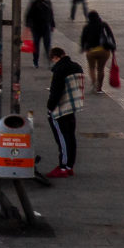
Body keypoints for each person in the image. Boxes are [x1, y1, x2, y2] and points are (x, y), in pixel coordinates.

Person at [44, 46, 84, 178]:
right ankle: (69, 166)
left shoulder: (59, 70)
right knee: (71, 137)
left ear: (56, 57)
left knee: (62, 139)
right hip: (73, 107)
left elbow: (56, 92)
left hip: (61, 110)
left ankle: (63, 167)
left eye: (53, 60)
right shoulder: (77, 67)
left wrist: (50, 107)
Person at [79, 10, 116, 93]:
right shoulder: (104, 25)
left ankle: (93, 82)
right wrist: (113, 47)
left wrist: (82, 47)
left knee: (92, 68)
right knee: (101, 69)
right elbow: (110, 36)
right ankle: (99, 87)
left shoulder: (87, 27)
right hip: (104, 51)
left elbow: (83, 39)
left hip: (91, 51)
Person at [25, 0, 55, 69]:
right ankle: (35, 61)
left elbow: (51, 14)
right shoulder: (35, 2)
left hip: (46, 27)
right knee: (36, 46)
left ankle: (49, 62)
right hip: (36, 28)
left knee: (47, 46)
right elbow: (29, 14)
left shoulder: (48, 1)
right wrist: (28, 25)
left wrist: (52, 24)